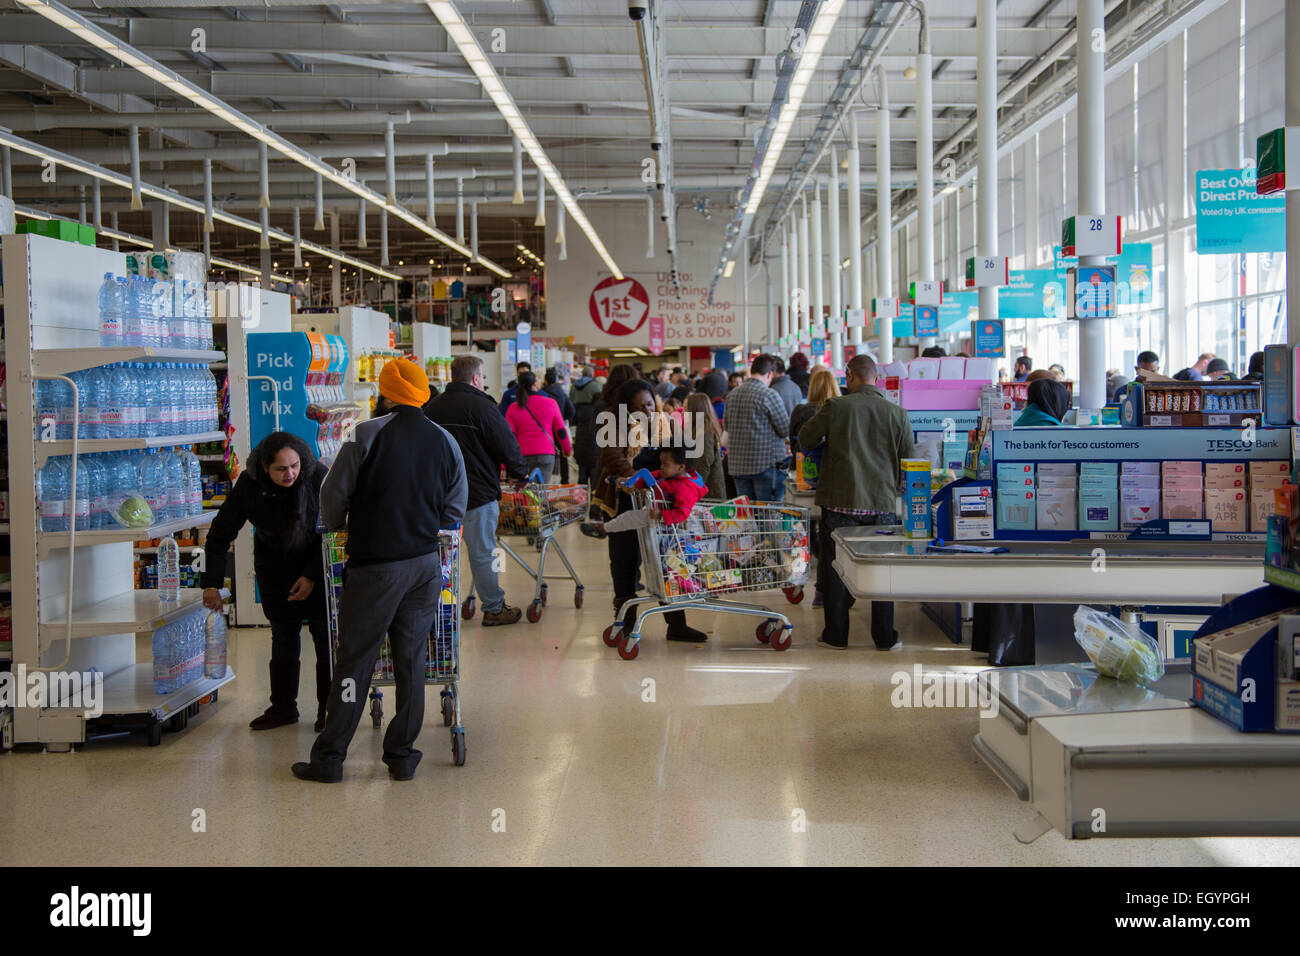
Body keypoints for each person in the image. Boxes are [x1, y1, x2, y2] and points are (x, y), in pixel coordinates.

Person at [293, 358, 467, 783]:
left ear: (385, 393)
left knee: (355, 662)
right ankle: (403, 756)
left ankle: (330, 759)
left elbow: (332, 495)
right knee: (412, 661)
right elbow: (455, 508)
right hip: (424, 568)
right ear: (423, 394)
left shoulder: (364, 434)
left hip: (375, 569)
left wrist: (340, 525)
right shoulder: (446, 441)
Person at [201, 432, 330, 732]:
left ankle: (328, 710)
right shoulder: (250, 485)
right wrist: (211, 584)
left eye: (294, 466)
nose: (290, 474)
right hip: (275, 569)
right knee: (283, 636)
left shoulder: (317, 477)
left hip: (316, 563)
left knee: (324, 639)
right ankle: (283, 708)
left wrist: (311, 576)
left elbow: (333, 530)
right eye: (281, 469)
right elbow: (219, 534)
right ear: (264, 467)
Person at [798, 353, 914, 650]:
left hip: (840, 501)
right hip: (882, 504)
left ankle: (836, 635)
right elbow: (910, 462)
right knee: (882, 567)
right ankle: (884, 637)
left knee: (836, 567)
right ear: (876, 378)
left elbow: (805, 438)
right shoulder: (898, 413)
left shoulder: (836, 407)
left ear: (849, 376)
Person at [595, 379, 707, 642]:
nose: (647, 411)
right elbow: (612, 457)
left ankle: (676, 624)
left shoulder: (663, 424)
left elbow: (679, 455)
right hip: (626, 501)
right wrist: (635, 479)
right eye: (640, 408)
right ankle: (625, 622)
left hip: (659, 504)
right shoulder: (616, 426)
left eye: (649, 404)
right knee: (624, 563)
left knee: (666, 562)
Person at [425, 354, 529, 627]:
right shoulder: (484, 407)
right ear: (475, 378)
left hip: (438, 497)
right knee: (484, 553)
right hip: (477, 494)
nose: (483, 380)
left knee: (438, 555)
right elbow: (505, 443)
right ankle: (493, 607)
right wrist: (520, 473)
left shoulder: (432, 408)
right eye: (482, 376)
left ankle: (434, 609)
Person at [788, 366, 840, 608]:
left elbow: (793, 441)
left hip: (804, 479)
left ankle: (798, 577)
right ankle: (823, 590)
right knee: (829, 538)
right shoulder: (841, 410)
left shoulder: (802, 411)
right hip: (832, 480)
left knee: (802, 533)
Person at [724, 353, 791, 502]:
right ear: (770, 374)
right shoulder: (769, 395)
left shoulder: (732, 395)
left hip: (738, 466)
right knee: (768, 513)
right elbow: (785, 429)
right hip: (766, 465)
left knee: (747, 513)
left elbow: (727, 427)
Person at [505, 370, 572, 478]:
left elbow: (509, 436)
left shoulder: (513, 408)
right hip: (546, 454)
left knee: (525, 488)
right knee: (542, 487)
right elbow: (560, 430)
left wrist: (504, 464)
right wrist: (566, 448)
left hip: (523, 455)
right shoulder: (550, 403)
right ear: (535, 384)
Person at [626, 445, 707, 523]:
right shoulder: (667, 474)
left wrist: (660, 515)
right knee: (627, 519)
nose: (661, 467)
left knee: (626, 520)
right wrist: (631, 481)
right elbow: (649, 477)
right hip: (653, 513)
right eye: (661, 463)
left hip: (667, 525)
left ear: (681, 467)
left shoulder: (686, 490)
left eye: (665, 464)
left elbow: (681, 513)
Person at [683, 392, 726, 499]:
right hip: (704, 491)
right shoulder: (698, 430)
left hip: (708, 494)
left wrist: (693, 490)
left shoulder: (704, 432)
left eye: (686, 410)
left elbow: (703, 464)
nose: (683, 413)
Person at [569, 364, 603, 485]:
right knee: (594, 477)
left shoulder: (574, 386)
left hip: (579, 418)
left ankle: (581, 492)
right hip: (593, 451)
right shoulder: (595, 386)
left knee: (582, 475)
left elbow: (571, 401)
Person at [541, 366, 576, 481]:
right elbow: (571, 410)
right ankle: (565, 480)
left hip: (546, 429)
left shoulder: (543, 394)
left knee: (547, 454)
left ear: (545, 380)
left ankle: (548, 480)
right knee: (563, 455)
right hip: (559, 428)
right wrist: (562, 419)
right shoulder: (562, 393)